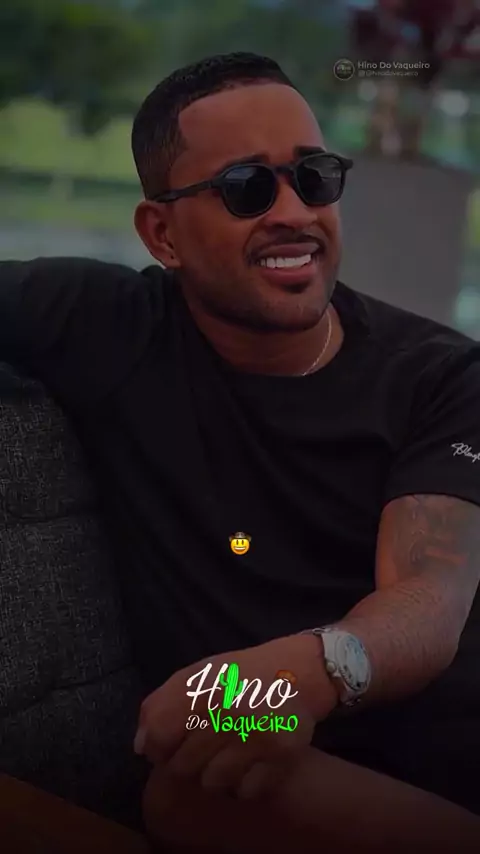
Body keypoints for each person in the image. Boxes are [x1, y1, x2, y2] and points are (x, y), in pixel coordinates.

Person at [1, 52, 480, 818]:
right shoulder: (107, 327)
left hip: (439, 770)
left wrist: (297, 676)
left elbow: (427, 599)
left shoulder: (441, 375)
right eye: (246, 187)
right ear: (162, 234)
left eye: (314, 177)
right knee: (188, 789)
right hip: (252, 780)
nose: (294, 212)